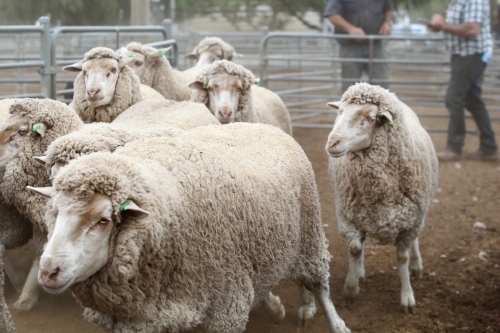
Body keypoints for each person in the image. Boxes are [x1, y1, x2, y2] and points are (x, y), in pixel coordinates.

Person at [429, 0, 498, 161]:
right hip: (462, 54)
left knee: (454, 98)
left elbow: (472, 30)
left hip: (471, 54)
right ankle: (489, 147)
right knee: (473, 100)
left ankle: (454, 147)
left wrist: (444, 25)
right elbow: (460, 26)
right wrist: (439, 25)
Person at [324, 0, 394, 93]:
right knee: (350, 87)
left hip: (375, 45)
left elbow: (389, 9)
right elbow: (332, 14)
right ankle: (350, 106)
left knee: (382, 84)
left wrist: (387, 22)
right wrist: (350, 29)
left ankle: (380, 106)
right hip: (350, 46)